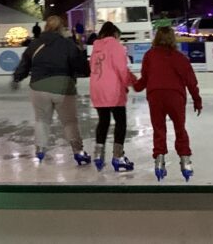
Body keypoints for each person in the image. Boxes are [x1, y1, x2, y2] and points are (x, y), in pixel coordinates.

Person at [12, 15, 92, 166]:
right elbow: (81, 68)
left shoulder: (35, 44)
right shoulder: (68, 44)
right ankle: (79, 152)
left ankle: (40, 150)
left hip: (39, 87)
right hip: (63, 87)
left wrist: (17, 77)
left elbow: (25, 63)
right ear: (61, 28)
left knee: (42, 120)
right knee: (69, 122)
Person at [134, 26, 202, 181]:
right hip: (175, 96)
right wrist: (197, 100)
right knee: (180, 128)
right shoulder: (180, 57)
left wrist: (135, 85)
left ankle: (159, 161)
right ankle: (185, 162)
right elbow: (191, 81)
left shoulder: (149, 55)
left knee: (159, 129)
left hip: (155, 95)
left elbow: (144, 79)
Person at [88, 22, 137, 172]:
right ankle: (118, 156)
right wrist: (130, 82)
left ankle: (98, 154)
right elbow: (121, 69)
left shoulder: (96, 48)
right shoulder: (116, 46)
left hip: (97, 88)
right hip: (113, 89)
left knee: (103, 121)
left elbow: (92, 68)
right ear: (115, 34)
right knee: (120, 122)